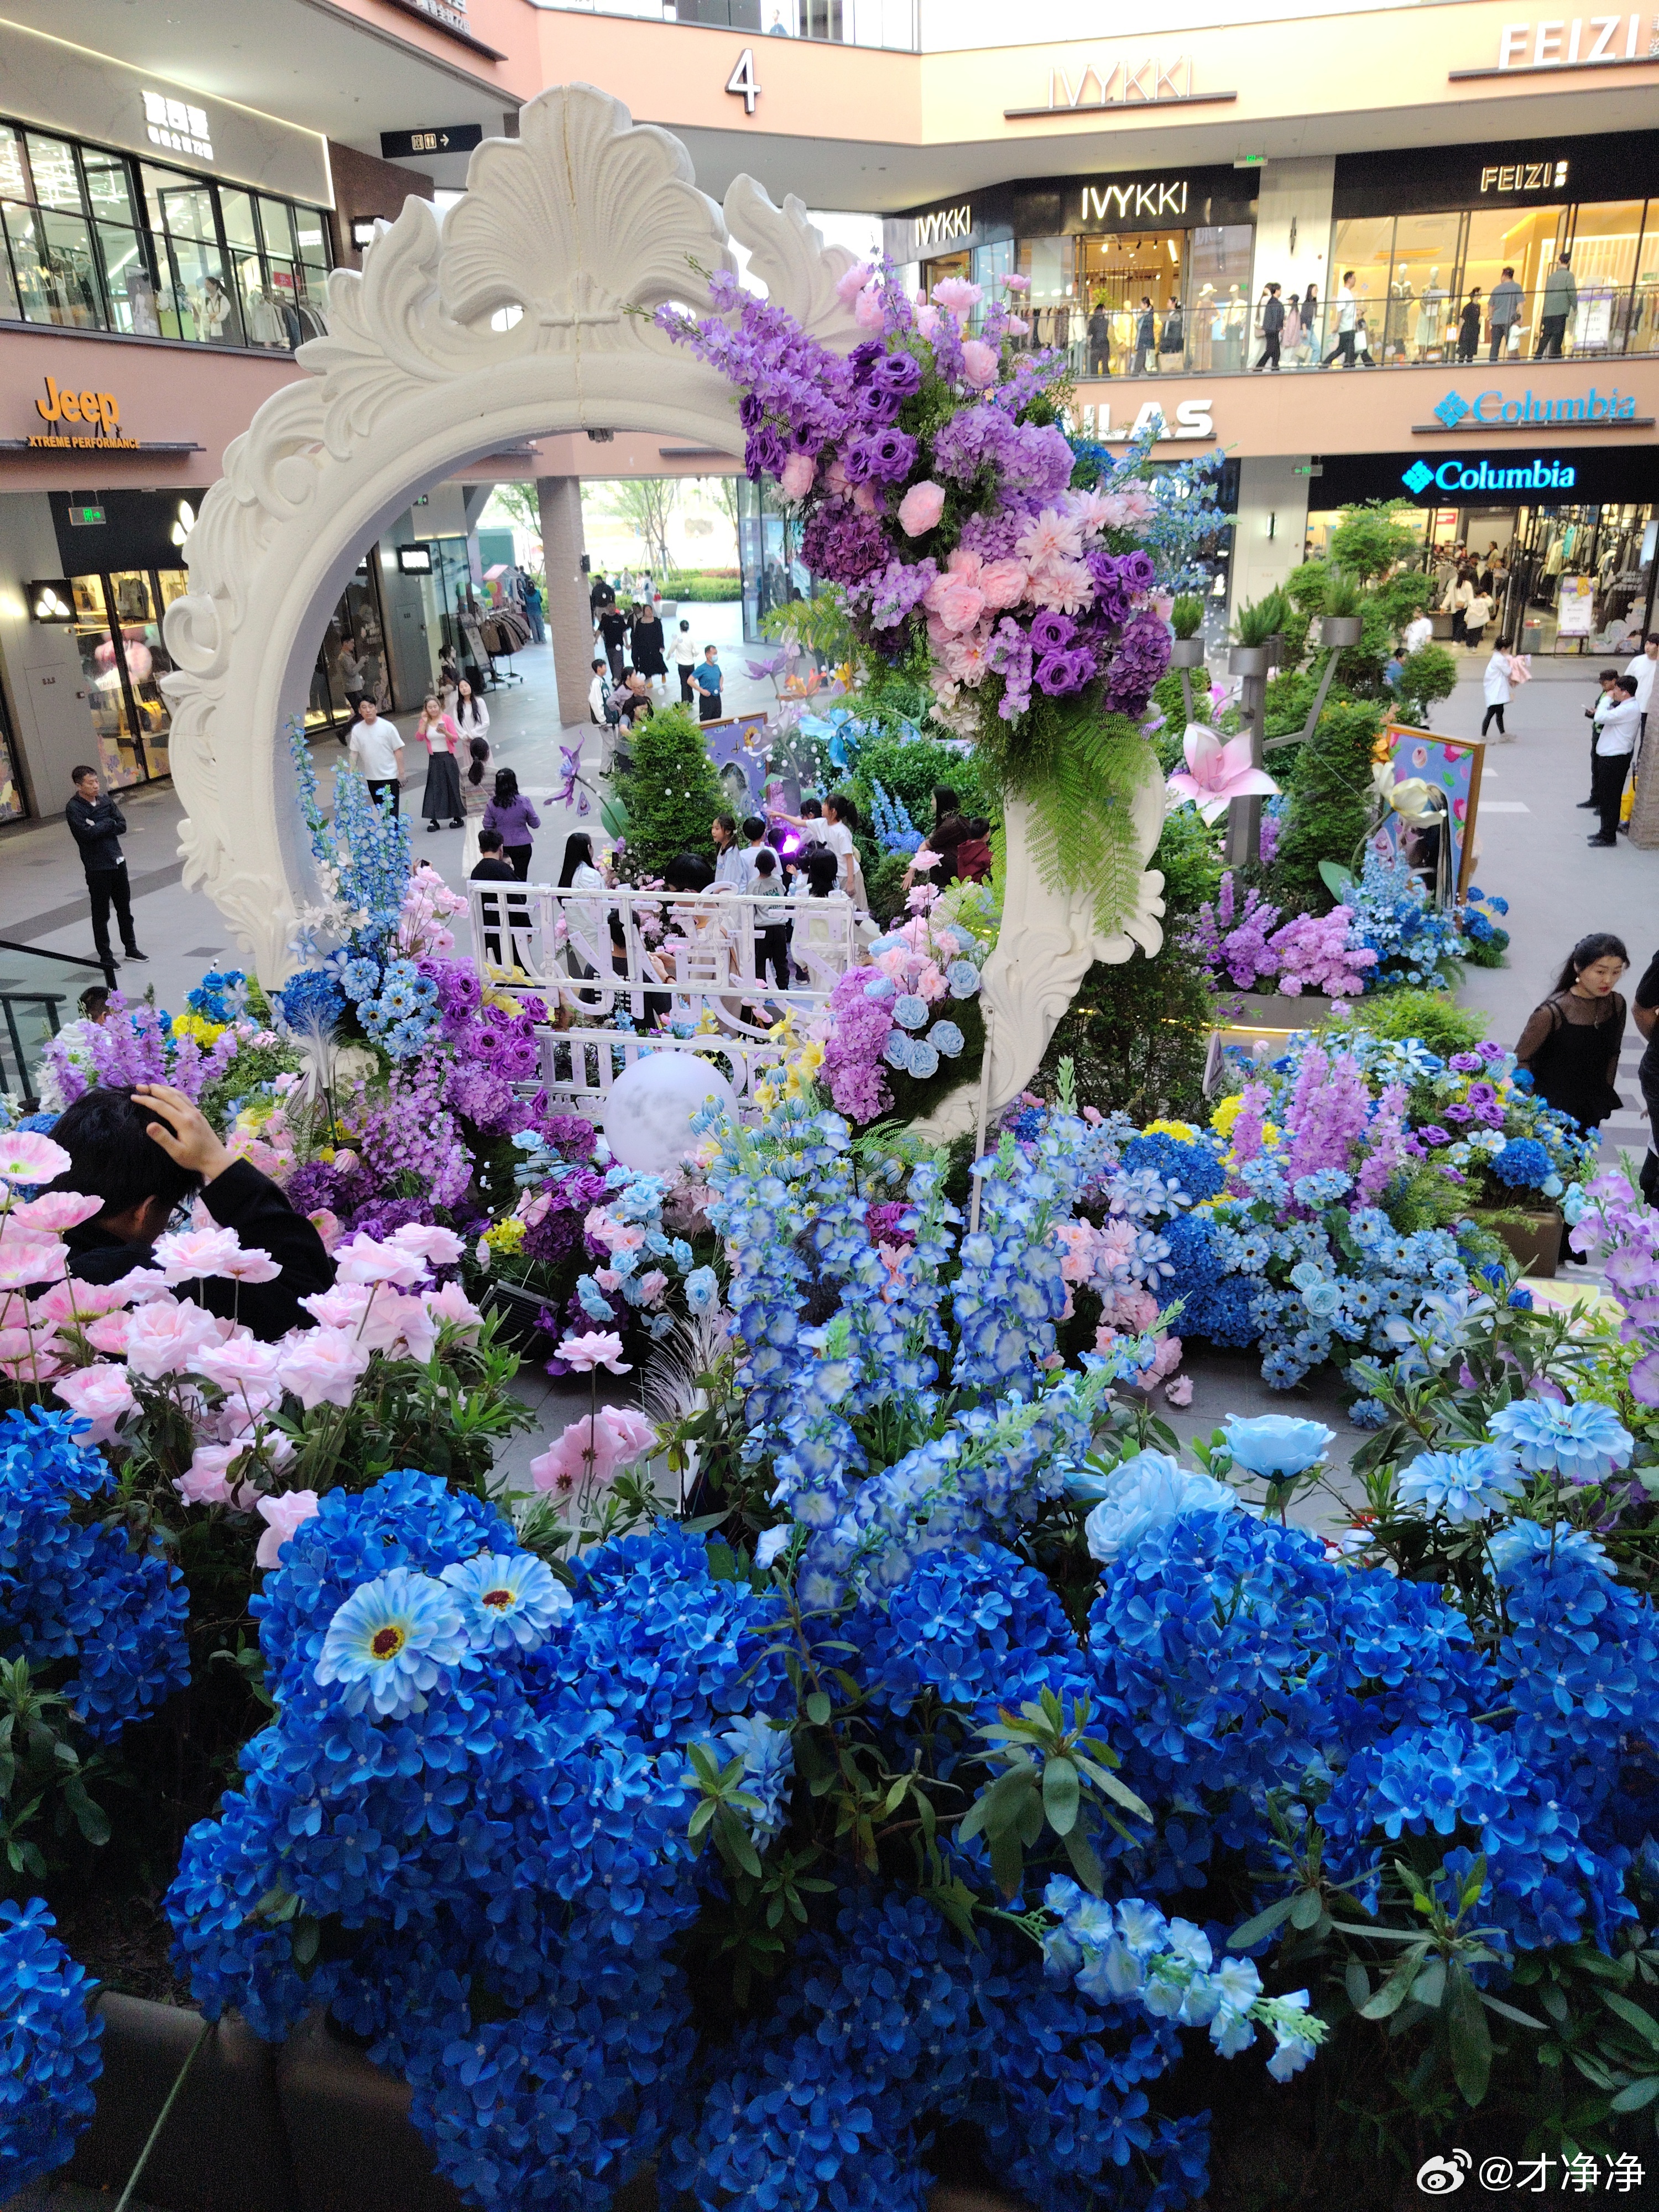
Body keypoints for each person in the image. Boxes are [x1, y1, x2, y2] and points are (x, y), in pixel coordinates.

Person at [49, 1082, 333, 1341]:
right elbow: (309, 1298)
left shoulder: (29, 1265)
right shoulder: (151, 1284)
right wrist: (217, 1161)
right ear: (144, 1211)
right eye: (172, 1213)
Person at [1514, 933, 1627, 1136]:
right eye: (1600, 971)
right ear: (1578, 967)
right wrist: (1533, 1110)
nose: (1608, 980)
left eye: (1616, 972)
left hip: (1588, 1110)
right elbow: (1521, 1059)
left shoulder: (1616, 1004)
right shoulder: (1552, 1013)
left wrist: (1603, 1095)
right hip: (1551, 1112)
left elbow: (1613, 1053)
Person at [66, 766, 146, 973]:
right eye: (90, 783)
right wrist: (107, 823)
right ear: (79, 785)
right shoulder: (74, 807)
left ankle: (131, 948)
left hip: (118, 861)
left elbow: (121, 825)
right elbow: (85, 835)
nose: (95, 786)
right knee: (101, 915)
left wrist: (99, 824)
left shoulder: (105, 801)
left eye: (96, 781)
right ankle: (106, 957)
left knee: (125, 910)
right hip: (97, 868)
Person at [1589, 676, 1641, 846]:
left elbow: (1601, 717)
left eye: (1616, 690)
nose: (1613, 692)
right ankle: (1604, 831)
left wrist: (1606, 699)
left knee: (1611, 798)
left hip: (1615, 759)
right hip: (1609, 757)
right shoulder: (1624, 706)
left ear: (1625, 692)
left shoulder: (1630, 709)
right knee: (1606, 797)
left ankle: (1608, 836)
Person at [471, 829, 530, 973]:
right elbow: (516, 901)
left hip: (487, 928)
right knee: (518, 969)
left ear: (481, 849)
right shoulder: (503, 869)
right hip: (508, 927)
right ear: (501, 848)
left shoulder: (476, 872)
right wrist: (526, 927)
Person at [415, 695, 464, 832]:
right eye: (430, 707)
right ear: (426, 709)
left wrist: (445, 732)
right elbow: (419, 737)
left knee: (452, 785)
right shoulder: (425, 721)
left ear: (439, 706)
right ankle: (433, 819)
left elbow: (455, 739)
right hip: (434, 759)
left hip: (448, 757)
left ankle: (457, 817)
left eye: (435, 706)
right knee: (433, 788)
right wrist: (424, 722)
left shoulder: (446, 719)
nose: (433, 709)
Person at [347, 697, 404, 815]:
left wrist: (401, 773)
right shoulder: (357, 730)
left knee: (392, 814)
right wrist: (351, 775)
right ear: (360, 711)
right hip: (372, 778)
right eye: (364, 708)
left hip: (390, 776)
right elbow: (354, 753)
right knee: (382, 813)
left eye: (371, 707)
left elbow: (398, 750)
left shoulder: (388, 727)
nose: (368, 710)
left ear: (376, 709)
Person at [484, 767, 540, 879]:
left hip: (501, 847)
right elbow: (536, 823)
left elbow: (487, 826)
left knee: (504, 878)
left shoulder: (492, 804)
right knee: (521, 877)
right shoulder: (523, 801)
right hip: (522, 845)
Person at [1580, 668, 1621, 810]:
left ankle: (1603, 803)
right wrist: (1593, 713)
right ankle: (1595, 798)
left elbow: (1611, 715)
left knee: (1605, 772)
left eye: (1605, 683)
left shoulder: (1617, 695)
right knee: (1596, 769)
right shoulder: (1605, 693)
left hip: (1607, 736)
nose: (1603, 686)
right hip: (1597, 734)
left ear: (1614, 681)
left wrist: (1598, 714)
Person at [821, 792, 865, 908]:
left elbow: (849, 858)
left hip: (850, 876)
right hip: (840, 875)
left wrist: (850, 883)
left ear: (833, 811)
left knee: (857, 911)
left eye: (825, 804)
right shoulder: (826, 825)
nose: (822, 806)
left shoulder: (841, 832)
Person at [460, 734, 493, 873]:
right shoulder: (494, 772)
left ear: (471, 754)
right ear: (487, 753)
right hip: (491, 817)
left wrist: (470, 809)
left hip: (473, 817)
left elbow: (463, 797)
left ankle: (477, 872)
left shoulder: (464, 773)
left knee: (475, 845)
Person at [1538, 253, 1575, 358]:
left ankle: (1538, 356)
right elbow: (1572, 293)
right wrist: (1575, 307)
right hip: (1561, 311)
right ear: (1569, 262)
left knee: (1546, 335)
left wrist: (1544, 311)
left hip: (1548, 311)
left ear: (1559, 261)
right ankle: (1555, 358)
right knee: (1558, 336)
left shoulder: (1551, 277)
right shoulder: (1569, 276)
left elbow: (1546, 294)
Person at [1624, 631, 1657, 746]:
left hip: (1651, 709)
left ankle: (1641, 758)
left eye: (1651, 644)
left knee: (1646, 740)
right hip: (1634, 705)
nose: (1647, 647)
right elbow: (1627, 680)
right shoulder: (1637, 661)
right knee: (1628, 737)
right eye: (1646, 644)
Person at [1323, 272, 1359, 368]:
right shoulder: (1344, 293)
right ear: (1349, 279)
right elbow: (1341, 310)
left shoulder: (1348, 293)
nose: (1355, 281)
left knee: (1342, 349)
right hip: (1346, 328)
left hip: (1349, 328)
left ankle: (1325, 364)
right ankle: (1347, 368)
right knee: (1349, 351)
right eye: (1354, 278)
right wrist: (1337, 325)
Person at [630, 601, 667, 693]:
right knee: (646, 663)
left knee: (658, 660)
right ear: (644, 612)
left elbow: (660, 634)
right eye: (647, 610)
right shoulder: (640, 622)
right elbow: (637, 635)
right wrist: (635, 645)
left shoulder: (656, 621)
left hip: (655, 645)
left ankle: (663, 674)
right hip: (644, 647)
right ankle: (649, 681)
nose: (649, 612)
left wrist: (662, 645)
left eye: (650, 610)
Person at [1488, 264, 1523, 360]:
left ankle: (1492, 363)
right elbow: (1520, 303)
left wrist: (1491, 318)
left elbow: (1490, 306)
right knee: (1512, 344)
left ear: (1504, 276)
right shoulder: (1517, 287)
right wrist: (1521, 317)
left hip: (1497, 321)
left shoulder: (1496, 289)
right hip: (1510, 321)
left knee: (1495, 345)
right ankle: (1514, 362)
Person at [1255, 282, 1285, 372]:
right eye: (1280, 290)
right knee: (1271, 351)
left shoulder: (1270, 302)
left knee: (1275, 351)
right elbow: (1276, 317)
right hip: (1273, 330)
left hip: (1270, 329)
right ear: (1277, 291)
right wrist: (1280, 328)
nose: (1281, 292)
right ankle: (1259, 369)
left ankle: (1274, 369)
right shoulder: (1275, 303)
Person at [597, 599, 629, 684]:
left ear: (615, 608)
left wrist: (627, 644)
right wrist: (595, 640)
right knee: (612, 663)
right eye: (610, 607)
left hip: (618, 645)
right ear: (607, 608)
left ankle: (617, 679)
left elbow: (624, 632)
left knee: (618, 662)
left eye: (613, 606)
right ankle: (617, 677)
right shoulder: (605, 619)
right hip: (609, 646)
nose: (611, 608)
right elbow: (599, 630)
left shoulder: (619, 618)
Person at [954, 817, 994, 883]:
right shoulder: (985, 852)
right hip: (979, 887)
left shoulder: (964, 848)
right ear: (987, 835)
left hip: (963, 886)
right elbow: (998, 866)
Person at [711, 812, 745, 889]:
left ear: (728, 831)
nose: (713, 831)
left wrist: (714, 892)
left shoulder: (731, 852)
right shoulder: (722, 847)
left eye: (717, 829)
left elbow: (729, 883)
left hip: (729, 893)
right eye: (713, 828)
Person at [694, 644, 723, 722]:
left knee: (717, 720)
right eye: (714, 653)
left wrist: (721, 685)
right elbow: (690, 681)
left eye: (716, 653)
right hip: (707, 699)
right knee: (706, 722)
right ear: (707, 655)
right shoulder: (701, 668)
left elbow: (721, 677)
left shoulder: (717, 667)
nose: (716, 656)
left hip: (717, 698)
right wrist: (701, 691)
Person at [674, 619, 700, 704]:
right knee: (690, 682)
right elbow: (697, 651)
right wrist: (692, 655)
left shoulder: (678, 639)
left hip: (682, 665)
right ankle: (691, 699)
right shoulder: (691, 639)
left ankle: (685, 700)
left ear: (680, 628)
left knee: (684, 683)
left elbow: (671, 650)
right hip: (691, 665)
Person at [1462, 583, 1493, 653]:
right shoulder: (1484, 602)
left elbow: (1469, 611)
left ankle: (1468, 646)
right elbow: (1491, 602)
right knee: (1478, 635)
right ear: (1482, 594)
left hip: (1472, 621)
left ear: (1475, 594)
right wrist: (1487, 596)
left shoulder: (1471, 602)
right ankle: (1474, 647)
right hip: (1481, 621)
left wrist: (1466, 618)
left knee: (1470, 634)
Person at [1457, 289, 1482, 364]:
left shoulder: (1478, 306)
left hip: (1474, 330)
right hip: (1467, 330)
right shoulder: (1468, 307)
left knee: (1471, 353)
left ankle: (1468, 366)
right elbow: (1462, 319)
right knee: (1464, 351)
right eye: (1480, 292)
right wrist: (1459, 331)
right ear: (1476, 293)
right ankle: (1460, 366)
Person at [1087, 299, 1111, 377]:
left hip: (1095, 343)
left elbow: (1089, 334)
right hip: (1104, 343)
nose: (1105, 311)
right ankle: (1106, 377)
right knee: (1105, 363)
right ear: (1102, 310)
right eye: (1104, 309)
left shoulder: (1092, 321)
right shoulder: (1106, 321)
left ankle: (1094, 378)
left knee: (1094, 363)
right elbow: (1107, 331)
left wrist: (1089, 344)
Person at [1131, 296, 1155, 376]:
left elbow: (1148, 331)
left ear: (1145, 305)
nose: (1140, 305)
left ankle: (1133, 378)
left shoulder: (1149, 316)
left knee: (1140, 364)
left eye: (1141, 304)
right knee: (1145, 365)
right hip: (1142, 343)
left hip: (1145, 344)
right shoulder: (1144, 315)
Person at [588, 658, 615, 727]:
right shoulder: (596, 683)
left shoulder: (602, 681)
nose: (606, 669)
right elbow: (596, 702)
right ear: (599, 669)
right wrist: (602, 721)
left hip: (609, 718)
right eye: (605, 667)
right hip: (605, 721)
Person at [522, 577, 544, 644]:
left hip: (530, 611)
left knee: (533, 626)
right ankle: (542, 639)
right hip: (537, 610)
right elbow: (541, 600)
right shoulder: (537, 592)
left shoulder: (525, 594)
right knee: (540, 625)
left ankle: (536, 640)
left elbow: (526, 603)